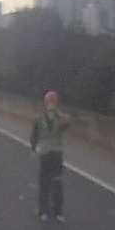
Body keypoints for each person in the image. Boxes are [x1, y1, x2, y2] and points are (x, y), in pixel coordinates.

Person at [30, 90, 68, 222]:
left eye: (53, 101)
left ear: (56, 103)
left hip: (56, 154)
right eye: (49, 101)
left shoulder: (61, 117)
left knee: (56, 182)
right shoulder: (39, 118)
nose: (51, 104)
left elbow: (66, 125)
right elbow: (34, 134)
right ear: (45, 103)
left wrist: (58, 114)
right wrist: (33, 148)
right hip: (46, 154)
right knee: (45, 182)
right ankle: (44, 211)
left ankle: (57, 211)